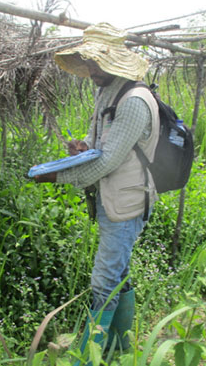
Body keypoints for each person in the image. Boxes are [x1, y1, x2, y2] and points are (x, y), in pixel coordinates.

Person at [33, 22, 160, 361]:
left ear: (113, 61)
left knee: (104, 281)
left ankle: (88, 357)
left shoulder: (135, 101)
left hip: (126, 201)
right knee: (119, 272)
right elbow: (101, 144)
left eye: (94, 63)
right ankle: (119, 347)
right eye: (86, 62)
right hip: (111, 196)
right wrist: (83, 147)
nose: (89, 70)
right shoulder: (107, 91)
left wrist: (56, 178)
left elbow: (107, 162)